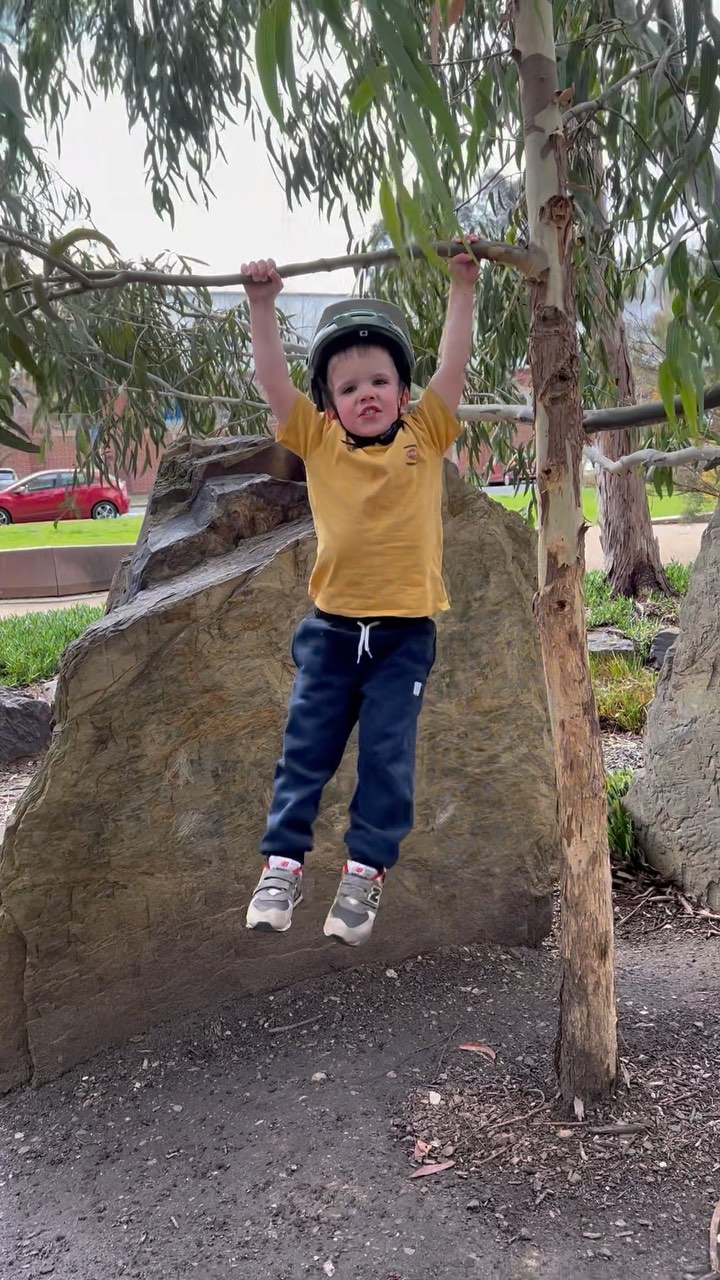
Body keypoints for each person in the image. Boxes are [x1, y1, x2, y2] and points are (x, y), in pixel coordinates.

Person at [242, 243, 480, 946]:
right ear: (328, 403)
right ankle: (283, 866)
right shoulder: (317, 441)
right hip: (332, 634)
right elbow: (272, 380)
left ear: (404, 394)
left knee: (386, 758)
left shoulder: (425, 434)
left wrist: (462, 290)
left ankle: (363, 874)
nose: (366, 394)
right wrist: (262, 306)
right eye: (349, 388)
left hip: (403, 639)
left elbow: (454, 365)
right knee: (305, 751)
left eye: (380, 381)